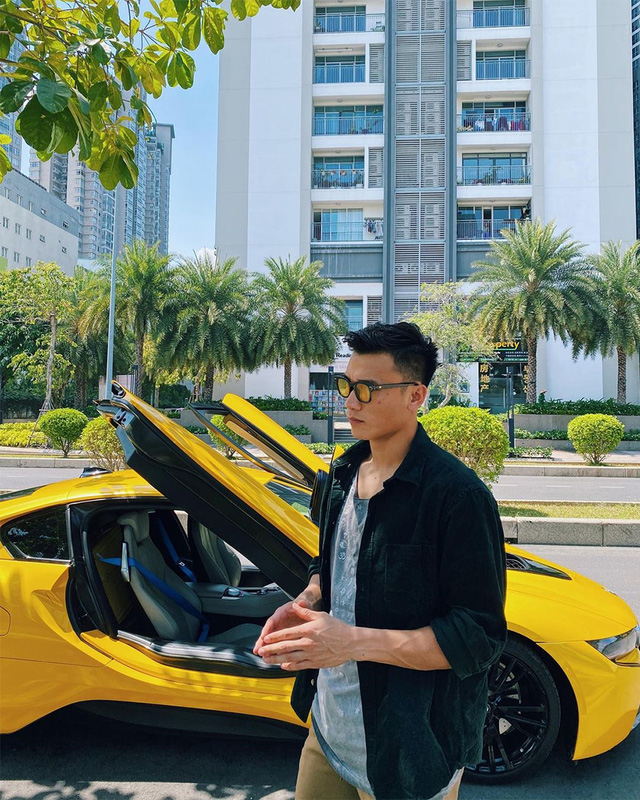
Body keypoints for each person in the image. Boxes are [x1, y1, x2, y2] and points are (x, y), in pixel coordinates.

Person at [254, 322, 507, 800]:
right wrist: (309, 598)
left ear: (416, 395)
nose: (351, 401)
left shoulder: (458, 497)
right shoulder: (343, 472)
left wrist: (351, 642)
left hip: (411, 750)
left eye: (368, 389)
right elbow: (329, 559)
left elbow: (476, 638)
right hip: (327, 733)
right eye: (347, 385)